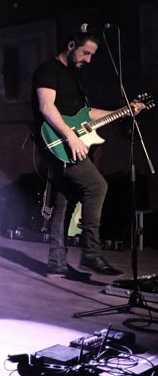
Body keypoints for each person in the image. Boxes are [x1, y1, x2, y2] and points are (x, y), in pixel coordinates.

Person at [32, 28, 145, 278]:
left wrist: (123, 112)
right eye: (85, 53)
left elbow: (86, 114)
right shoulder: (48, 70)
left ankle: (57, 263)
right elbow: (46, 107)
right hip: (56, 141)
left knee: (64, 199)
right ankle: (91, 254)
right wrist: (70, 136)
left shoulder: (74, 76)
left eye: (92, 55)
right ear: (71, 45)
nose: (89, 59)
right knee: (97, 186)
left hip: (67, 140)